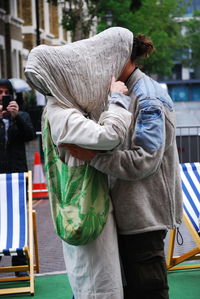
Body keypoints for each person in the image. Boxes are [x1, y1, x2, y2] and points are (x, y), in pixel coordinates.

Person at [66, 33, 183, 299]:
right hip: (125, 213)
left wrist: (92, 156)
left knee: (147, 291)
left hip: (143, 218)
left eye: (102, 57)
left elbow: (144, 160)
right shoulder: (119, 90)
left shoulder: (149, 97)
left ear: (119, 57)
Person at [25, 27, 134, 299]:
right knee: (98, 287)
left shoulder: (59, 108)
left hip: (84, 214)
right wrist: (118, 100)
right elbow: (109, 136)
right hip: (87, 216)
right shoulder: (60, 113)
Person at [0, 78, 36, 277]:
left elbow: (30, 135)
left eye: (6, 92)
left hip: (17, 176)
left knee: (19, 218)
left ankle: (20, 263)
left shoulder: (21, 115)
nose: (2, 96)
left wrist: (16, 117)